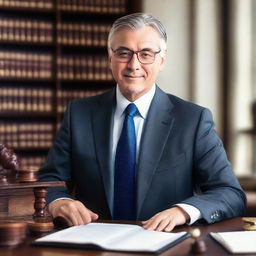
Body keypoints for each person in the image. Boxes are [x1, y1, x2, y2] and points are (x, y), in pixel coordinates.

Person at [39, 13, 246, 232]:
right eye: (124, 53)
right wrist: (59, 202)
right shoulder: (78, 114)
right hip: (93, 244)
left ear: (162, 60)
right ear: (110, 57)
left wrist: (183, 211)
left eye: (145, 54)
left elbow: (230, 194)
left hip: (165, 246)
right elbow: (50, 181)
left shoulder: (193, 120)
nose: (133, 65)